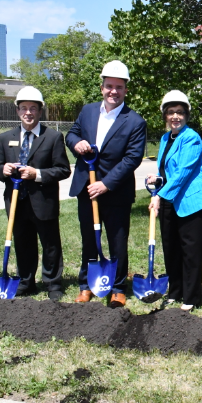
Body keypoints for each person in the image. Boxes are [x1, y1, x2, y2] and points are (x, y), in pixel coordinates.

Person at [66, 60, 147, 308]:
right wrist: (76, 143)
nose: (113, 91)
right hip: (86, 189)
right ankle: (86, 285)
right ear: (102, 87)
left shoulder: (135, 121)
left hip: (116, 191)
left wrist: (106, 184)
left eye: (119, 87)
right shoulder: (88, 111)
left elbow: (132, 159)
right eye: (109, 86)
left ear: (125, 90)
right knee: (89, 239)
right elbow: (72, 133)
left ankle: (119, 287)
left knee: (117, 241)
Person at [0, 87, 71, 300]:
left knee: (50, 244)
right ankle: (26, 281)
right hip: (17, 201)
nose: (28, 113)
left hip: (43, 201)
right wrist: (4, 171)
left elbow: (63, 170)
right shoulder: (4, 138)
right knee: (23, 243)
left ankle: (53, 283)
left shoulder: (53, 137)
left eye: (33, 108)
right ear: (17, 111)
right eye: (24, 108)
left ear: (40, 111)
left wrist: (36, 174)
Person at [147, 91, 202, 311]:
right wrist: (158, 179)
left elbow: (184, 172)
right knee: (171, 248)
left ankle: (191, 297)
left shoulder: (191, 137)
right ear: (165, 116)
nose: (175, 117)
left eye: (179, 112)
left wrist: (159, 194)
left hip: (193, 201)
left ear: (186, 114)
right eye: (170, 112)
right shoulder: (165, 138)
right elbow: (169, 171)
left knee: (190, 250)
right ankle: (175, 290)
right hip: (171, 196)